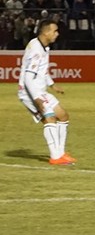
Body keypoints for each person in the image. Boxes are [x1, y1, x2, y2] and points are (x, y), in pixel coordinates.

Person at [18, 19, 76, 165]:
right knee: (50, 119)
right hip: (30, 92)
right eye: (55, 31)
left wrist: (52, 85)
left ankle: (60, 153)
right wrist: (37, 98)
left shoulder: (42, 46)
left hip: (39, 90)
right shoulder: (36, 50)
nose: (57, 34)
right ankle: (55, 156)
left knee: (63, 116)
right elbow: (28, 78)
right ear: (46, 32)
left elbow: (41, 71)